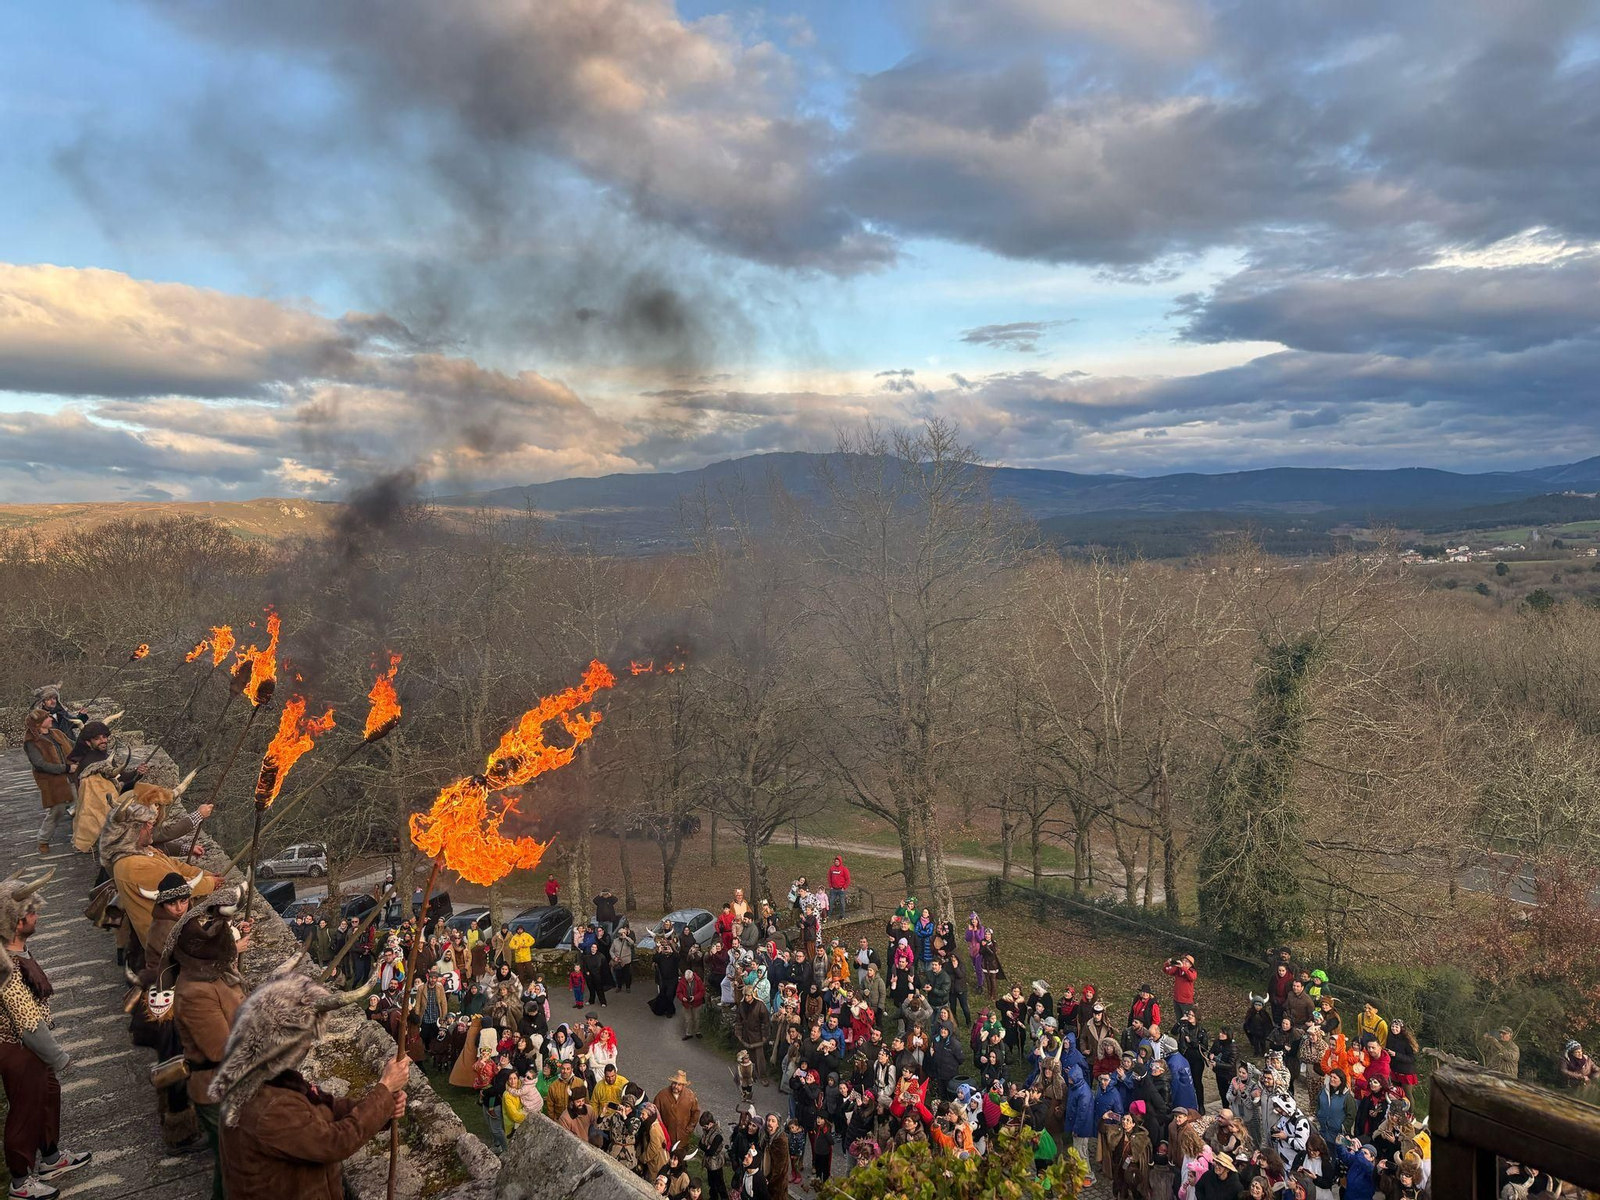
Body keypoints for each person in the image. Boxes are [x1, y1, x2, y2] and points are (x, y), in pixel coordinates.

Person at [0, 869, 92, 1200]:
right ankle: (21, 1182)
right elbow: (26, 1020)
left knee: (47, 1097)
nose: (36, 916)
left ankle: (50, 1159)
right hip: (18, 1048)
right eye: (31, 912)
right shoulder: (6, 966)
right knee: (25, 1112)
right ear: (16, 922)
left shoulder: (18, 949)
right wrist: (57, 1056)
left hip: (30, 1048)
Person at [23, 711, 77, 858]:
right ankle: (43, 840)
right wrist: (65, 768)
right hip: (52, 782)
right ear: (39, 724)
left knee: (81, 806)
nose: (51, 718)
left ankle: (80, 839)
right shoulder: (31, 742)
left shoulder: (57, 733)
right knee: (57, 811)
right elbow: (40, 764)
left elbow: (74, 746)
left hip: (70, 778)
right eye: (47, 717)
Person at [677, 968, 705, 1040]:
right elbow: (678, 992)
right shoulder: (682, 981)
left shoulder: (698, 980)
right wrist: (682, 998)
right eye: (687, 980)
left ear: (692, 977)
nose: (688, 981)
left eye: (690, 979)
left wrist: (695, 997)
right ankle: (688, 1033)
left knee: (697, 1018)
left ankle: (697, 1032)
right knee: (688, 1019)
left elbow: (702, 991)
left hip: (697, 1003)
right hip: (686, 1004)